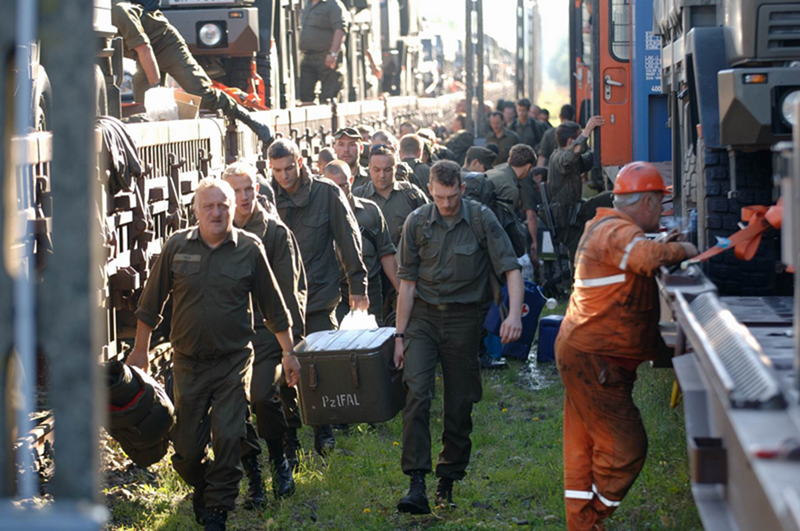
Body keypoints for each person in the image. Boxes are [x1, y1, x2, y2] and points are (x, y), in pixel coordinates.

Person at [128, 178, 298, 531]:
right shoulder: (177, 246)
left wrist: (289, 353)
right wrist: (140, 350)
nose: (217, 213)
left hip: (232, 363)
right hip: (188, 364)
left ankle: (218, 511)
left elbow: (274, 308)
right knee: (187, 451)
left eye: (223, 206)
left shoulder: (249, 248)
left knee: (229, 436)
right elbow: (150, 304)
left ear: (232, 209)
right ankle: (204, 486)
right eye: (209, 206)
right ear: (196, 210)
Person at [556, 163, 699, 531]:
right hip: (595, 359)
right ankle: (593, 515)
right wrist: (686, 247)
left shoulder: (606, 225)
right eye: (661, 204)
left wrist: (662, 243)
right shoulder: (618, 231)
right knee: (625, 449)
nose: (662, 213)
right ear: (647, 202)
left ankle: (581, 523)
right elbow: (644, 258)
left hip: (583, 352)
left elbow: (635, 254)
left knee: (584, 442)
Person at [393, 161, 524, 514]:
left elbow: (511, 269)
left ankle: (447, 480)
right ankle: (416, 483)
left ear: (462, 189)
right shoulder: (417, 222)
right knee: (417, 394)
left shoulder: (481, 219)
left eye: (452, 196)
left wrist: (513, 315)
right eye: (439, 197)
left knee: (460, 404)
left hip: (464, 321)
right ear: (430, 190)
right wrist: (400, 336)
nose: (446, 204)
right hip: (422, 319)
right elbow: (407, 285)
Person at [268, 138, 369, 458]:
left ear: (300, 163)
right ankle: (290, 435)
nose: (284, 176)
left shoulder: (326, 193)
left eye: (288, 168)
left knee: (317, 366)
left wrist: (358, 285)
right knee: (281, 369)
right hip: (279, 300)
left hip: (319, 294)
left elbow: (348, 238)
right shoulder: (267, 196)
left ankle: (323, 428)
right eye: (277, 170)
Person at [220, 163, 305, 507]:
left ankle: (279, 458)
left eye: (248, 189)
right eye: (235, 191)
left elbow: (289, 293)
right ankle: (253, 472)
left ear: (257, 189)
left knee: (262, 397)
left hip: (268, 333)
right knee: (232, 406)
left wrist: (291, 347)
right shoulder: (216, 232)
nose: (243, 197)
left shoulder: (274, 233)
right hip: (231, 336)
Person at [112, 2, 273, 142]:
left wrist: (155, 89)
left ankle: (252, 122)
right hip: (144, 57)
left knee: (203, 94)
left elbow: (144, 48)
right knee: (144, 107)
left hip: (166, 46)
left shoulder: (118, 11)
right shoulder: (97, 20)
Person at [324, 161, 399, 324]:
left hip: (369, 287)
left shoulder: (370, 211)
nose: (338, 192)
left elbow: (386, 253)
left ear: (351, 181)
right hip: (334, 290)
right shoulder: (319, 216)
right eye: (332, 187)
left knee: (371, 333)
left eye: (343, 186)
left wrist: (400, 291)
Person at [547, 116, 605, 264]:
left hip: (573, 215)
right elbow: (570, 157)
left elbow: (586, 161)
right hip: (568, 220)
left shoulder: (567, 160)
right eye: (578, 138)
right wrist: (587, 132)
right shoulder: (559, 158)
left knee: (578, 257)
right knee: (610, 198)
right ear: (570, 142)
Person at [354, 144, 429, 247]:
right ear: (369, 168)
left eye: (387, 170)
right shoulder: (358, 196)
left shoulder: (411, 194)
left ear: (396, 168)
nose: (382, 175)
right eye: (377, 170)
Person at [298, 0, 347, 103]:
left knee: (329, 96)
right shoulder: (307, 4)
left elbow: (340, 30)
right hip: (308, 57)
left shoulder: (333, 4)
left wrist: (332, 53)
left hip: (326, 56)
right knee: (305, 95)